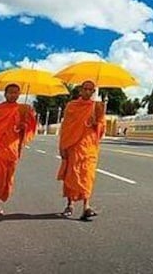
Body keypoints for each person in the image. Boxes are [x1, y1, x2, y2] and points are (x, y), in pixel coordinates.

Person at [0, 83, 37, 216]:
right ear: (5, 94)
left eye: (16, 92)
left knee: (5, 178)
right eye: (10, 92)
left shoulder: (23, 109)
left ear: (19, 94)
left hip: (12, 149)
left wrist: (24, 126)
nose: (13, 95)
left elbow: (30, 128)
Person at [57, 80, 105, 221]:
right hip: (73, 145)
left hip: (89, 147)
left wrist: (96, 123)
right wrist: (62, 146)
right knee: (72, 176)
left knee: (87, 176)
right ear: (80, 90)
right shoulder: (72, 106)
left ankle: (86, 207)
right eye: (86, 89)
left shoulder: (97, 107)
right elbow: (66, 127)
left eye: (92, 90)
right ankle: (70, 204)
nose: (88, 92)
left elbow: (102, 129)